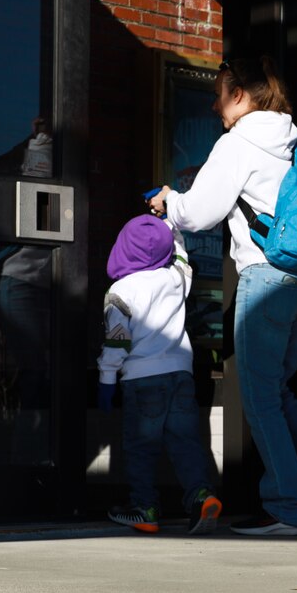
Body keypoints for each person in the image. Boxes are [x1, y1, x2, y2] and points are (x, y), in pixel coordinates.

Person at [149, 56, 297, 537]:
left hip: (267, 279)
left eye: (220, 93)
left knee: (260, 399)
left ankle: (286, 506)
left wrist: (168, 202)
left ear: (241, 95)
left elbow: (199, 213)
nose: (215, 103)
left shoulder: (237, 143)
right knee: (277, 393)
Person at [97, 213, 222, 535]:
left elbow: (116, 343)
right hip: (180, 375)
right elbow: (182, 256)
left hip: (142, 380)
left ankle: (145, 508)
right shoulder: (175, 279)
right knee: (186, 443)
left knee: (141, 446)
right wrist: (170, 225)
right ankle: (201, 495)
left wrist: (107, 380)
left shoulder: (121, 291)